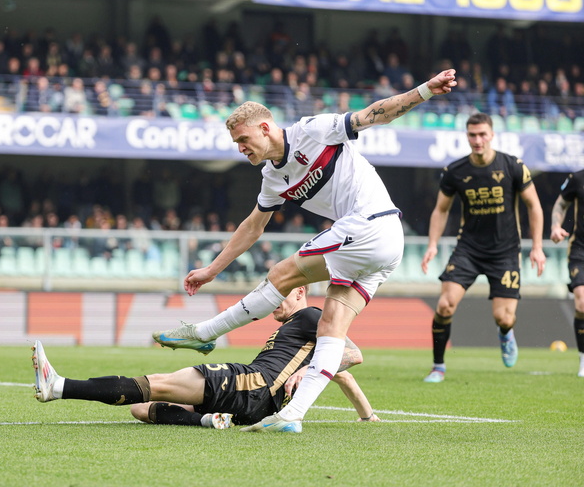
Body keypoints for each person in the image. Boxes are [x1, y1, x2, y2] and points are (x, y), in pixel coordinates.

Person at [152, 70, 457, 432]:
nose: (241, 148)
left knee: (281, 274)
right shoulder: (272, 178)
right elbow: (252, 227)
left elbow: (375, 113)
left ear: (265, 128)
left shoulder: (312, 130)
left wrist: (425, 90)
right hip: (384, 245)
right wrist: (211, 270)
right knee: (330, 327)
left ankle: (206, 333)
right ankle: (292, 416)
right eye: (236, 143)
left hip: (370, 225)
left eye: (244, 139)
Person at [33, 287, 379, 430]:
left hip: (251, 384)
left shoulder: (310, 316)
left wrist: (307, 375)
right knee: (141, 409)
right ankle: (210, 419)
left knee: (159, 384)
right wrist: (368, 416)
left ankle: (59, 386)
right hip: (259, 405)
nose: (274, 302)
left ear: (301, 291)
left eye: (281, 294)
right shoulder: (299, 330)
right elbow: (343, 373)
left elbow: (353, 354)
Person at [420, 113, 545, 383]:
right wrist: (432, 244)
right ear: (467, 136)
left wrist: (536, 247)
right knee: (445, 306)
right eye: (472, 135)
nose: (477, 140)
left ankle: (505, 333)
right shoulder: (455, 171)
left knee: (504, 317)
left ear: (491, 135)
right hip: (468, 250)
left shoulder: (512, 166)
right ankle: (438, 366)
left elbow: (533, 205)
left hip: (505, 253)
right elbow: (440, 210)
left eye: (482, 134)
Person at [549, 170, 584, 377]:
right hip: (581, 249)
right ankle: (583, 359)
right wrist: (555, 226)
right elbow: (561, 204)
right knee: (582, 302)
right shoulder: (578, 178)